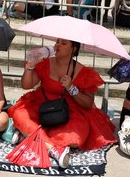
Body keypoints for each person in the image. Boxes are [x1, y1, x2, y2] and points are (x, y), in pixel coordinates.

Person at [8, 39, 117, 168]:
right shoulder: (45, 63)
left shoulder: (83, 72)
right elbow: (26, 85)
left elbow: (88, 103)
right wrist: (30, 66)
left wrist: (72, 88)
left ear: (74, 49)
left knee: (75, 139)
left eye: (63, 43)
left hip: (69, 111)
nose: (57, 45)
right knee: (20, 115)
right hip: (41, 105)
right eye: (57, 42)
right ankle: (54, 149)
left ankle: (27, 136)